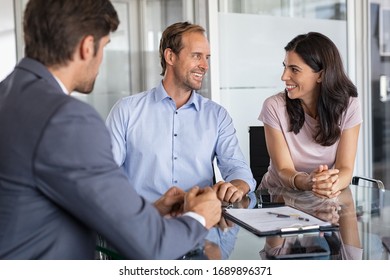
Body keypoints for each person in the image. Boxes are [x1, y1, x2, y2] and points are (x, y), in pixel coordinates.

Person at [0, 0, 222, 260]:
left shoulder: (8, 94)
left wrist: (149, 212)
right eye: (104, 47)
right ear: (86, 47)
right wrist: (199, 217)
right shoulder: (66, 118)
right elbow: (152, 246)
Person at [105, 21, 256, 204]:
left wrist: (237, 186)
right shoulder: (127, 110)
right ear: (170, 56)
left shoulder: (216, 115)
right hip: (143, 222)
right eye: (196, 56)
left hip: (199, 223)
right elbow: (105, 173)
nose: (205, 65)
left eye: (207, 57)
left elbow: (237, 169)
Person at [258, 32, 362, 199]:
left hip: (321, 199)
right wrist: (309, 182)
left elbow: (345, 169)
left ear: (320, 75)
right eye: (285, 66)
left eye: (294, 69)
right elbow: (284, 170)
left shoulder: (349, 106)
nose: (284, 76)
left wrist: (328, 185)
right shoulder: (274, 106)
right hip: (277, 199)